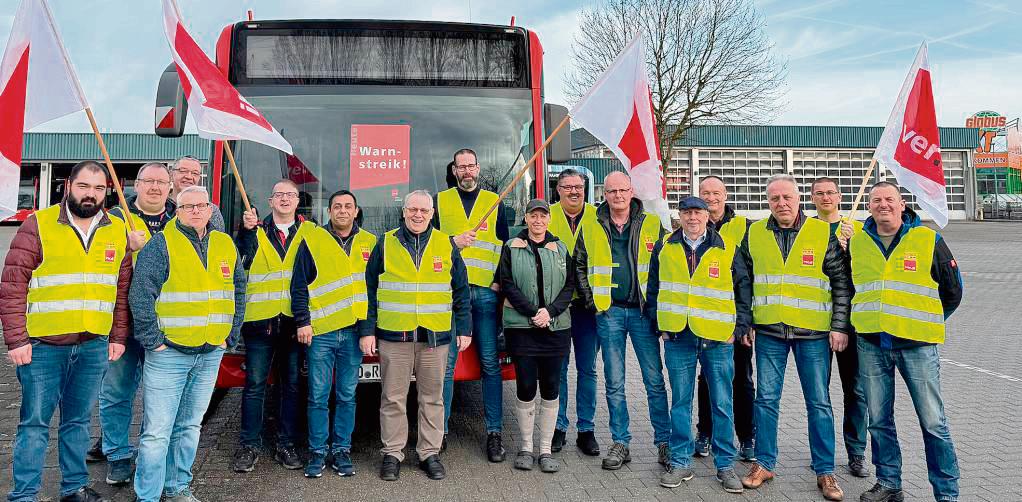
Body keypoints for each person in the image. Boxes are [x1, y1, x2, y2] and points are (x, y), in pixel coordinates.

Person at [2, 161, 133, 502]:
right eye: (84, 186)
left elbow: (121, 290)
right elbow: (14, 284)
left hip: (93, 345)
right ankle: (24, 495)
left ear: (107, 192)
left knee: (77, 423)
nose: (91, 194)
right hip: (43, 346)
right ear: (68, 186)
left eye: (99, 188)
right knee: (34, 425)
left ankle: (73, 488)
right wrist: (16, 339)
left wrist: (118, 336)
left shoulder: (116, 230)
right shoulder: (39, 225)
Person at [841, 182, 962, 502]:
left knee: (933, 422)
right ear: (869, 206)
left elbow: (953, 291)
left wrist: (925, 322)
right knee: (879, 422)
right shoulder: (857, 242)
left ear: (901, 203)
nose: (883, 205)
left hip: (917, 346)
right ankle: (889, 484)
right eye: (876, 200)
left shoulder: (928, 239)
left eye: (889, 199)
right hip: (870, 343)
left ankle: (947, 493)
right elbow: (851, 288)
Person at [130, 186, 246, 502]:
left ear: (210, 209)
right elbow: (140, 295)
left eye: (201, 205)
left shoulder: (224, 243)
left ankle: (177, 487)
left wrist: (229, 337)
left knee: (190, 427)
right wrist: (153, 341)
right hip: (169, 353)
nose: (195, 210)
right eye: (187, 206)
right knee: (157, 433)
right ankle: (148, 496)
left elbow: (238, 290)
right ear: (177, 211)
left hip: (210, 352)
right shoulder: (161, 245)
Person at [739, 174, 851, 501]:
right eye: (774, 199)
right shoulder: (755, 233)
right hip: (770, 332)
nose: (781, 204)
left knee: (818, 403)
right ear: (768, 202)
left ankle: (825, 472)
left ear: (799, 198)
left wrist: (839, 326)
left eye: (787, 197)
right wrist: (745, 322)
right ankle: (764, 463)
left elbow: (841, 282)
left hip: (813, 334)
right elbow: (745, 281)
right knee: (766, 400)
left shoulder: (820, 232)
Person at [364, 190, 472, 481]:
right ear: (404, 211)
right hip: (394, 336)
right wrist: (367, 330)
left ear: (432, 213)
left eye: (424, 210)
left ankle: (429, 453)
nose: (418, 215)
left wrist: (464, 327)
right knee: (392, 398)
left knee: (432, 398)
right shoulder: (385, 243)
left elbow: (461, 290)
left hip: (434, 337)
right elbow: (369, 290)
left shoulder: (445, 244)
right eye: (413, 209)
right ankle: (392, 453)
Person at [646, 196, 752, 494]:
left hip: (717, 337)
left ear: (708, 216)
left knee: (721, 403)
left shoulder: (727, 247)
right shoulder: (666, 246)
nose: (692, 218)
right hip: (678, 335)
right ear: (679, 216)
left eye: (698, 213)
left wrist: (739, 327)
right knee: (680, 401)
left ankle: (725, 465)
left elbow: (744, 289)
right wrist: (659, 325)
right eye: (687, 212)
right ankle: (680, 461)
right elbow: (653, 286)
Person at [574, 171, 670, 470]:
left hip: (642, 313)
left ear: (632, 192)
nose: (618, 196)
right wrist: (592, 301)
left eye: (623, 190)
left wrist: (657, 307)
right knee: (614, 382)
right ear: (604, 193)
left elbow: (667, 267)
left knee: (654, 381)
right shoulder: (591, 226)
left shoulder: (653, 224)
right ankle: (621, 442)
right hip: (609, 312)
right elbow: (578, 264)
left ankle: (664, 442)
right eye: (612, 191)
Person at [90, 162, 176, 486]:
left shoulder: (179, 221)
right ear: (135, 185)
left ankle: (148, 455)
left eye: (161, 182)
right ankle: (117, 454)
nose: (155, 187)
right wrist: (125, 246)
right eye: (148, 181)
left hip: (162, 323)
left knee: (158, 396)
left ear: (170, 187)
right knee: (116, 390)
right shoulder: (112, 220)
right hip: (122, 322)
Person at [230, 179, 315, 473]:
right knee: (254, 386)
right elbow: (239, 254)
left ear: (297, 201)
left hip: (294, 324)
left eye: (290, 195)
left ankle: (286, 444)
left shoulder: (311, 232)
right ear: (270, 201)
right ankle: (249, 445)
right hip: (259, 324)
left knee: (291, 386)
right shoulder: (255, 231)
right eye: (278, 194)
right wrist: (245, 229)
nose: (284, 199)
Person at [291, 190, 377, 478]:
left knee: (347, 396)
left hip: (353, 334)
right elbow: (299, 285)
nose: (342, 210)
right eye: (337, 206)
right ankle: (317, 453)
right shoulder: (312, 240)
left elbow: (373, 292)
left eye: (348, 206)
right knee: (317, 396)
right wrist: (303, 321)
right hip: (321, 332)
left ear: (356, 211)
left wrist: (368, 330)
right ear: (329, 212)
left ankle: (341, 451)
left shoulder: (369, 243)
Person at [434, 148, 511, 461]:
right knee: (446, 367)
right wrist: (453, 242)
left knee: (491, 364)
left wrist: (499, 283)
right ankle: (439, 433)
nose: (466, 171)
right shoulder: (440, 201)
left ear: (478, 169)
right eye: (460, 166)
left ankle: (494, 433)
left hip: (485, 294)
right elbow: (428, 245)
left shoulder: (494, 202)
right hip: (451, 296)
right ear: (454, 170)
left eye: (470, 165)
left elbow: (506, 247)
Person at [499, 199, 575, 474]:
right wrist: (533, 312)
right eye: (533, 216)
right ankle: (525, 447)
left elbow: (569, 286)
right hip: (522, 328)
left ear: (549, 219)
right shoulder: (511, 247)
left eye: (543, 216)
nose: (538, 221)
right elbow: (506, 283)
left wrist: (549, 313)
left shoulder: (560, 248)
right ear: (526, 219)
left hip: (555, 329)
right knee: (526, 386)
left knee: (552, 387)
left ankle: (544, 449)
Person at [693, 175, 756, 461]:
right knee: (706, 379)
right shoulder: (693, 227)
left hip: (735, 322)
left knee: (741, 379)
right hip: (703, 320)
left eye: (716, 192)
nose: (711, 197)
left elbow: (750, 278)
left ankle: (746, 437)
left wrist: (746, 322)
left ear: (726, 195)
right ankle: (705, 433)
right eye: (705, 193)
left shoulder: (744, 227)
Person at [810, 176, 870, 478]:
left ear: (840, 196)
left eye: (830, 192)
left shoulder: (857, 230)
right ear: (811, 198)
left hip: (852, 322)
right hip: (818, 323)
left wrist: (851, 248)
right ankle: (822, 455)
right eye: (819, 193)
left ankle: (857, 452)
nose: (825, 198)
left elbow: (865, 272)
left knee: (856, 390)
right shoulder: (807, 231)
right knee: (819, 393)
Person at [547, 169, 600, 456]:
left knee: (588, 369)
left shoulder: (597, 216)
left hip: (588, 307)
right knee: (559, 368)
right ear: (558, 190)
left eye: (578, 186)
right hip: (557, 305)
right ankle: (558, 426)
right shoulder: (547, 214)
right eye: (567, 186)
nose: (574, 191)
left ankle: (586, 429)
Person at [168, 156, 225, 232]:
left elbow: (219, 240)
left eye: (195, 173)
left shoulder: (211, 211)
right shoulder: (158, 207)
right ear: (171, 175)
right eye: (183, 171)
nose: (189, 177)